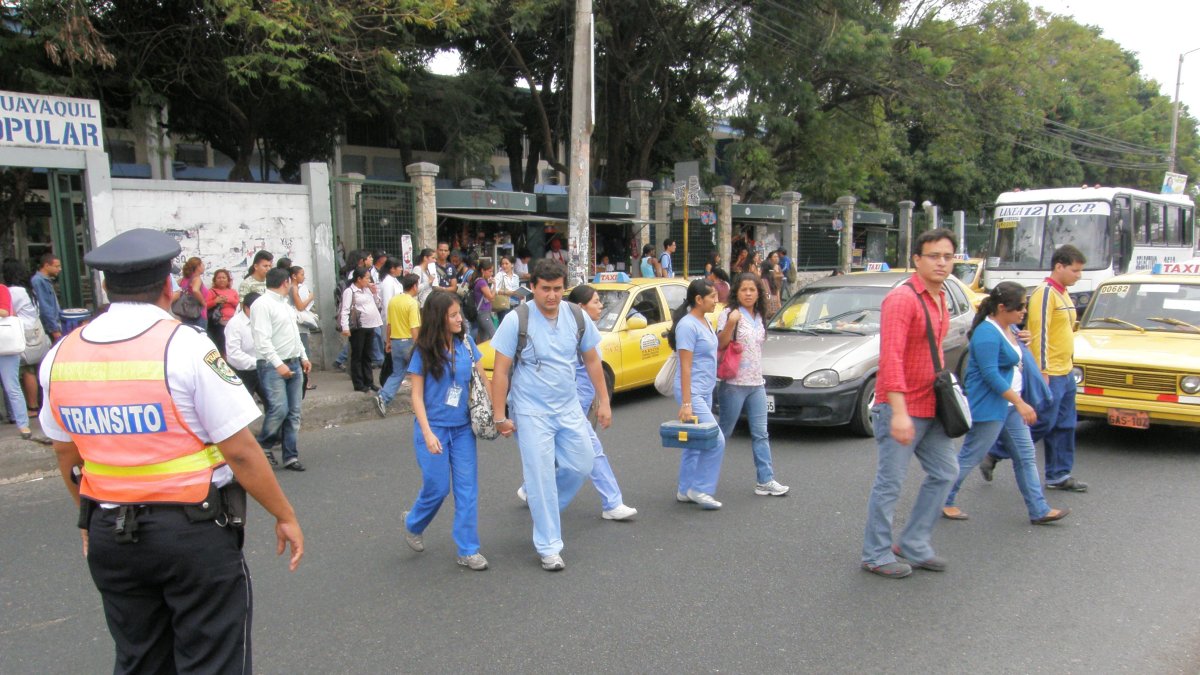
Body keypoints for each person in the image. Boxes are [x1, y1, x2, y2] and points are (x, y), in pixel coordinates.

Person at [40, 228, 303, 673]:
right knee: (212, 660)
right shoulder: (186, 345)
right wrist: (284, 514)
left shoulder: (62, 353)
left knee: (140, 658)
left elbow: (65, 453)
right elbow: (239, 450)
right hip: (190, 532)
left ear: (106, 287)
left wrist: (88, 517)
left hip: (111, 530)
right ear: (167, 286)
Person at [490, 259, 611, 571]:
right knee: (541, 476)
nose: (553, 295)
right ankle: (549, 546)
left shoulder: (576, 316)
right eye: (546, 289)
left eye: (558, 289)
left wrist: (604, 400)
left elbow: (592, 361)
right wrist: (499, 415)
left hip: (569, 407)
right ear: (533, 288)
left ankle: (545, 510)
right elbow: (500, 372)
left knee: (583, 463)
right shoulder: (517, 320)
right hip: (531, 412)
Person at [861, 229, 961, 579]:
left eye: (948, 256)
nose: (942, 263)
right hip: (900, 407)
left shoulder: (941, 295)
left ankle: (914, 543)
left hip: (931, 405)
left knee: (947, 471)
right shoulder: (902, 299)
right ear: (917, 259)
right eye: (934, 256)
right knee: (890, 484)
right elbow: (891, 358)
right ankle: (875, 553)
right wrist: (899, 413)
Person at [942, 282, 1070, 525]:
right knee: (970, 456)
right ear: (1001, 307)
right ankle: (943, 499)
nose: (1024, 312)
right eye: (1020, 307)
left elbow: (1012, 357)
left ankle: (1038, 510)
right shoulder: (987, 334)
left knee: (1026, 456)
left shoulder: (1008, 327)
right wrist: (1020, 403)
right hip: (991, 406)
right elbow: (991, 376)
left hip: (1009, 406)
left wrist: (1024, 342)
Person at [516, 285, 637, 520]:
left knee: (562, 455)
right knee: (592, 452)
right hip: (565, 406)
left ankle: (529, 489)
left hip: (576, 405)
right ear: (580, 307)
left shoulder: (586, 330)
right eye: (596, 301)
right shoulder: (571, 329)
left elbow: (594, 368)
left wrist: (603, 401)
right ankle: (612, 502)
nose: (601, 306)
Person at [979, 245, 1088, 492]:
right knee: (1042, 421)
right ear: (1059, 266)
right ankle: (994, 453)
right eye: (1074, 270)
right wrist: (1043, 371)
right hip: (1050, 371)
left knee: (1066, 423)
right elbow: (1041, 334)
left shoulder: (1064, 293)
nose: (1078, 275)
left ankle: (1059, 474)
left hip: (1065, 370)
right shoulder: (1046, 293)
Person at [400, 292, 490, 571]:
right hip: (434, 427)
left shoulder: (466, 342)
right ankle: (413, 522)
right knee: (438, 488)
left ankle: (468, 549)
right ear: (438, 318)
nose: (459, 318)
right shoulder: (423, 351)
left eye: (459, 313)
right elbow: (416, 396)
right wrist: (427, 433)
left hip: (463, 429)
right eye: (453, 315)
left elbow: (482, 378)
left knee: (467, 489)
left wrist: (499, 416)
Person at [717, 273, 788, 497]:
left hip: (757, 383)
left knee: (761, 434)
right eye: (744, 290)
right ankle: (701, 480)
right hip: (733, 384)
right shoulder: (729, 314)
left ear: (759, 293)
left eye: (752, 290)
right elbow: (720, 343)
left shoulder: (760, 315)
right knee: (723, 434)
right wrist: (731, 323)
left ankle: (765, 480)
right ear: (736, 292)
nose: (748, 293)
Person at [669, 278, 725, 509]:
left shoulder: (706, 321)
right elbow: (685, 366)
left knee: (695, 442)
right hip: (691, 391)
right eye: (712, 296)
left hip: (705, 389)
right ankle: (700, 489)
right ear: (698, 300)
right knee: (715, 439)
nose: (716, 300)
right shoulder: (687, 325)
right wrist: (686, 403)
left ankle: (685, 489)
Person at [252, 267, 313, 471]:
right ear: (286, 282)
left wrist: (303, 357)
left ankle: (290, 455)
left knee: (294, 412)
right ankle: (263, 445)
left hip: (293, 360)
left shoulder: (286, 306)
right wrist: (279, 365)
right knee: (279, 408)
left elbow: (295, 335)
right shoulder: (262, 305)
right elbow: (262, 340)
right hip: (272, 365)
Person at [375, 273, 421, 417]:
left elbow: (389, 325)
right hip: (409, 342)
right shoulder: (412, 303)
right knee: (419, 374)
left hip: (395, 342)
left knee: (397, 373)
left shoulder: (393, 301)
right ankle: (418, 405)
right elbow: (414, 328)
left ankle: (383, 396)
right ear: (414, 286)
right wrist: (419, 346)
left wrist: (388, 342)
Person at [6, 259, 44, 421]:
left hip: (20, 333)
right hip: (34, 331)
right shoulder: (28, 289)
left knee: (24, 371)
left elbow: (7, 311)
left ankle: (31, 407)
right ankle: (34, 405)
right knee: (31, 370)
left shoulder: (13, 291)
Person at [340, 266, 384, 393]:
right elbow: (345, 310)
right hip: (359, 327)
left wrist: (374, 292)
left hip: (371, 325)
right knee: (357, 355)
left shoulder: (367, 290)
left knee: (367, 355)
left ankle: (369, 381)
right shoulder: (350, 291)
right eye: (366, 278)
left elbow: (376, 303)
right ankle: (359, 383)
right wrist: (345, 327)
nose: (368, 281)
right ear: (359, 279)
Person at [0, 281, 31, 439]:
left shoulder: (2, 289)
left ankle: (23, 424)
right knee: (11, 385)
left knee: (11, 386)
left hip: (6, 344)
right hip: (5, 342)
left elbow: (5, 312)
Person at [225, 291, 265, 402]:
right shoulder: (235, 324)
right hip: (241, 371)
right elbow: (233, 353)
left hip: (261, 368)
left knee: (274, 404)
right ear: (247, 308)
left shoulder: (262, 320)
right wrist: (256, 362)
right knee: (242, 407)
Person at [288, 266, 317, 393]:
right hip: (299, 325)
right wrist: (310, 297)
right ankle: (304, 382)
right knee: (303, 353)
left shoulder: (292, 287)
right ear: (294, 276)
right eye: (301, 274)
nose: (303, 277)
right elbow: (300, 306)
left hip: (296, 324)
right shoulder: (293, 288)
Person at [206, 268, 239, 356]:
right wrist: (215, 301)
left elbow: (239, 305)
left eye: (224, 278)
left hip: (233, 322)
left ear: (228, 280)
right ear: (215, 280)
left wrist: (230, 300)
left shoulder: (233, 292)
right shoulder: (211, 292)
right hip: (219, 324)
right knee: (222, 345)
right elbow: (205, 306)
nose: (221, 280)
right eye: (219, 278)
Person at [32, 253, 63, 342]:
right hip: (49, 328)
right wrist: (54, 329)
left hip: (54, 325)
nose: (59, 269)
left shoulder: (45, 280)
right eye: (56, 266)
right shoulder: (38, 281)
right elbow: (44, 306)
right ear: (46, 265)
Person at [177, 257, 210, 331]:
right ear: (198, 266)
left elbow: (174, 288)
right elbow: (195, 290)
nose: (204, 267)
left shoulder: (182, 280)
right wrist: (203, 302)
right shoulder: (197, 279)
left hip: (185, 314)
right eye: (202, 265)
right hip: (198, 314)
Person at [473, 259, 497, 342]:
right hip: (483, 313)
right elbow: (491, 297)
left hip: (483, 312)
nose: (491, 274)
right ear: (483, 270)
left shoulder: (480, 281)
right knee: (493, 334)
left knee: (483, 337)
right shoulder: (482, 282)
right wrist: (494, 285)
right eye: (490, 271)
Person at [493, 255, 521, 324]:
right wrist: (505, 292)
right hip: (504, 306)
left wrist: (520, 295)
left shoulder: (516, 277)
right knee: (504, 325)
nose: (504, 266)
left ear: (512, 265)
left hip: (515, 304)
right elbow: (494, 289)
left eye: (506, 263)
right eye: (502, 264)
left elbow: (516, 290)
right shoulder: (499, 275)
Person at [760, 251, 783, 317]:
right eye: (775, 257)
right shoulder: (767, 278)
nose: (776, 258)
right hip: (771, 303)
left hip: (776, 287)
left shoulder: (777, 267)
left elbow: (782, 275)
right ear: (770, 258)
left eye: (777, 257)